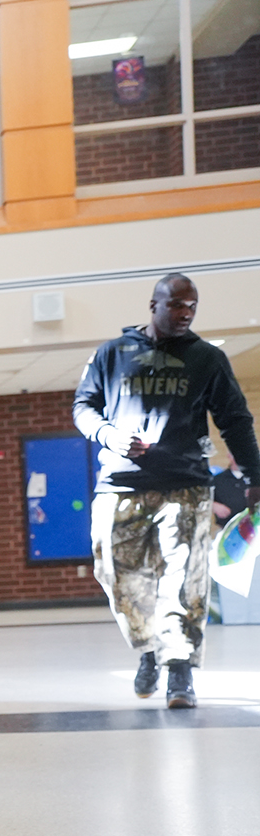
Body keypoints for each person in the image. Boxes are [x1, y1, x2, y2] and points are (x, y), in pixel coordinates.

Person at [74, 273, 260, 708]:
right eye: (176, 305)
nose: (185, 314)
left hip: (185, 483)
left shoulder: (207, 358)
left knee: (184, 577)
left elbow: (236, 420)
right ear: (153, 305)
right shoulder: (112, 353)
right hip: (120, 484)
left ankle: (179, 670)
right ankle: (149, 649)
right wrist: (109, 436)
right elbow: (84, 407)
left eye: (192, 306)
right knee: (115, 575)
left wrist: (255, 476)